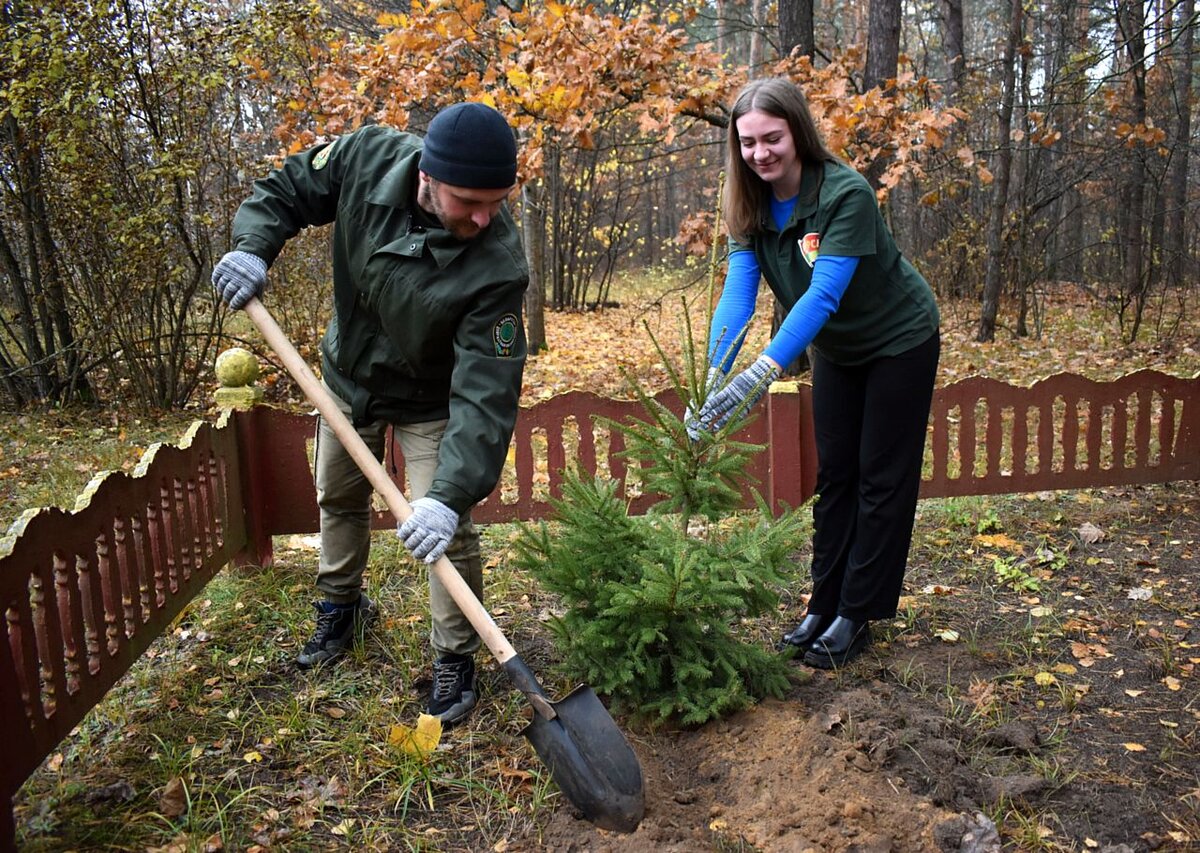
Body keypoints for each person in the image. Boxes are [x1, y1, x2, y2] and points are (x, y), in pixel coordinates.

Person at [211, 102, 528, 725]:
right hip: (348, 379)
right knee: (338, 493)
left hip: (432, 399)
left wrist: (449, 491)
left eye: (497, 200)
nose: (485, 216)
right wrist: (253, 247)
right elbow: (288, 189)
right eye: (469, 201)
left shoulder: (497, 264)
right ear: (427, 179)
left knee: (448, 527)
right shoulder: (366, 158)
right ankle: (340, 609)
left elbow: (487, 391)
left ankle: (455, 658)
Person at [687, 78, 940, 668]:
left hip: (898, 340)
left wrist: (762, 372)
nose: (761, 154)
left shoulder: (844, 194)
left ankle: (858, 613)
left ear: (797, 132)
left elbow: (823, 293)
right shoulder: (746, 205)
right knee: (836, 476)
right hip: (837, 350)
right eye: (748, 143)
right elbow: (739, 297)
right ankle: (822, 603)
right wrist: (715, 375)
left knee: (880, 477)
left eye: (771, 139)